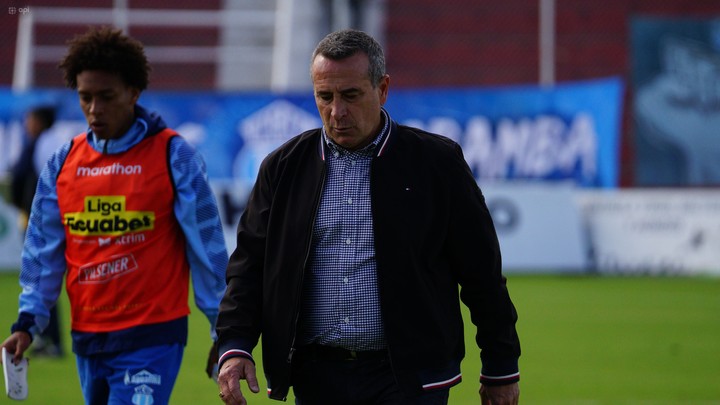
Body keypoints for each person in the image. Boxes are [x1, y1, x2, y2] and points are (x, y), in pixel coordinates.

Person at [216, 29, 521, 405]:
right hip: (315, 377)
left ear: (383, 89)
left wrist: (501, 365)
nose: (336, 112)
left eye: (350, 95)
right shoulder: (282, 167)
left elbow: (482, 273)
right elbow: (249, 267)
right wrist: (235, 345)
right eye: (324, 97)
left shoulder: (437, 164)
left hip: (409, 378)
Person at [1, 26, 228, 405]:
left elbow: (208, 249)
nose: (94, 109)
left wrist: (226, 329)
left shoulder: (174, 156)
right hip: (88, 336)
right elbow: (42, 253)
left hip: (153, 335)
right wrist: (27, 323)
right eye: (85, 97)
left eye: (106, 97)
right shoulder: (62, 163)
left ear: (134, 93)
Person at [9, 105, 65, 358]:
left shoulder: (43, 145)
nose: (26, 124)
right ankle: (46, 337)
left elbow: (25, 178)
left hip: (42, 220)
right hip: (36, 217)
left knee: (42, 277)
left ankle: (50, 339)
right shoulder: (47, 143)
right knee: (43, 277)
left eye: (30, 119)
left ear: (40, 122)